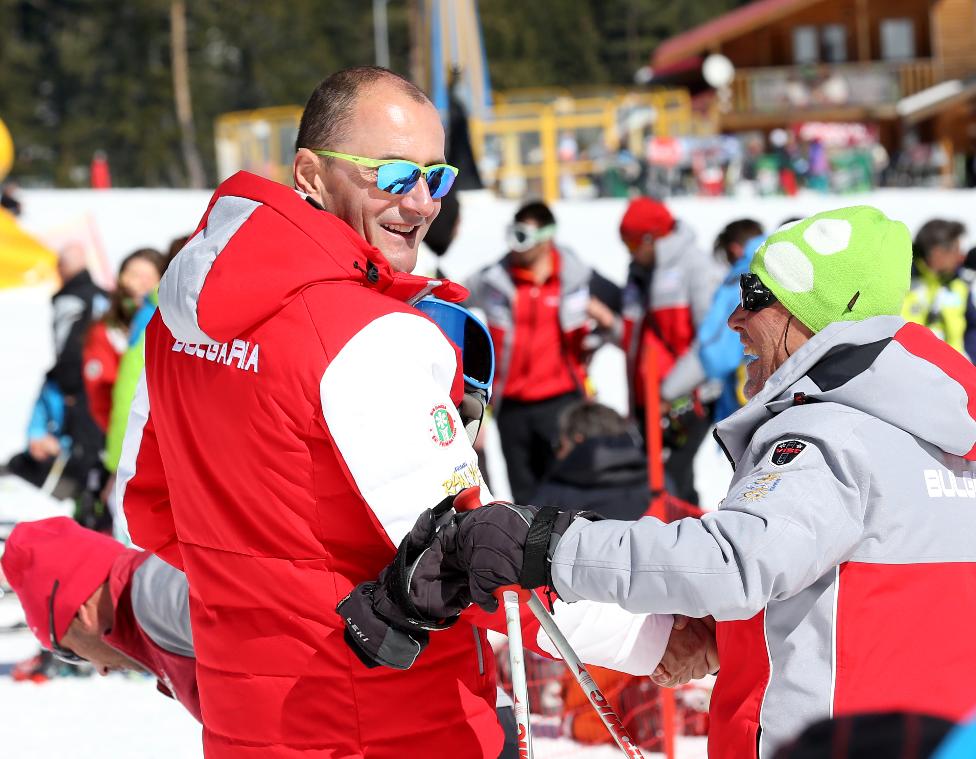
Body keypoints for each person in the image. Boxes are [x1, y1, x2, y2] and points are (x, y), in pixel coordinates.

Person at [117, 67, 673, 758]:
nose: (421, 202)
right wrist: (658, 637)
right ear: (311, 174)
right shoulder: (367, 334)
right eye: (393, 174)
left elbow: (146, 509)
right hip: (393, 720)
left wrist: (264, 594)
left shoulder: (178, 324)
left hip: (250, 722)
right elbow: (480, 561)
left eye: (436, 177)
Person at [403, 205, 976, 759]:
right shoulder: (942, 437)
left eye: (755, 295)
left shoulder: (833, 435)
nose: (735, 319)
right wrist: (730, 636)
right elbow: (867, 611)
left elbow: (732, 564)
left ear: (814, 313)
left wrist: (548, 545)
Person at [0, 517, 200, 719]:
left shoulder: (160, 594)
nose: (101, 670)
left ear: (81, 614)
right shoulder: (153, 609)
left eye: (71, 656)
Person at [465, 200, 597, 501]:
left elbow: (622, 316)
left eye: (523, 236)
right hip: (511, 407)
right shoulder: (494, 278)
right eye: (512, 234)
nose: (515, 245)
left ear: (547, 237)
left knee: (568, 493)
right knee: (526, 499)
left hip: (561, 403)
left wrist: (600, 334)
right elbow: (453, 298)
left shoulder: (575, 277)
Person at [618, 196, 724, 504]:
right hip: (648, 399)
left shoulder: (696, 266)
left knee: (675, 478)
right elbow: (636, 334)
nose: (630, 253)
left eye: (631, 244)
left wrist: (667, 392)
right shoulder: (639, 271)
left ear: (651, 239)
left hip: (686, 400)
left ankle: (690, 530)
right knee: (652, 483)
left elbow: (709, 340)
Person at [7, 242, 107, 494]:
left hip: (78, 384)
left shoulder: (70, 298)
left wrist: (70, 386)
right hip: (103, 381)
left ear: (63, 267)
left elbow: (66, 346)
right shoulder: (103, 296)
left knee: (82, 452)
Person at [82, 248, 165, 432]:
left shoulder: (169, 326)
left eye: (148, 278)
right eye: (133, 275)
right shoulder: (106, 331)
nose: (138, 285)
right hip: (122, 430)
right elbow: (100, 395)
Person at [531, 400, 650, 521]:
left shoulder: (554, 495)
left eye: (558, 445)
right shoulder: (656, 485)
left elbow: (531, 529)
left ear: (578, 440)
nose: (557, 454)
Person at [699, 220, 766, 422]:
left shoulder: (739, 280)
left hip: (746, 402)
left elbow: (718, 357)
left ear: (735, 249)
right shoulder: (782, 264)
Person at [901, 219, 975, 358]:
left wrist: (970, 357)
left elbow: (973, 327)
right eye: (955, 249)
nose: (960, 257)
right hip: (910, 366)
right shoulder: (902, 281)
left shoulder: (960, 284)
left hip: (955, 368)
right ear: (937, 252)